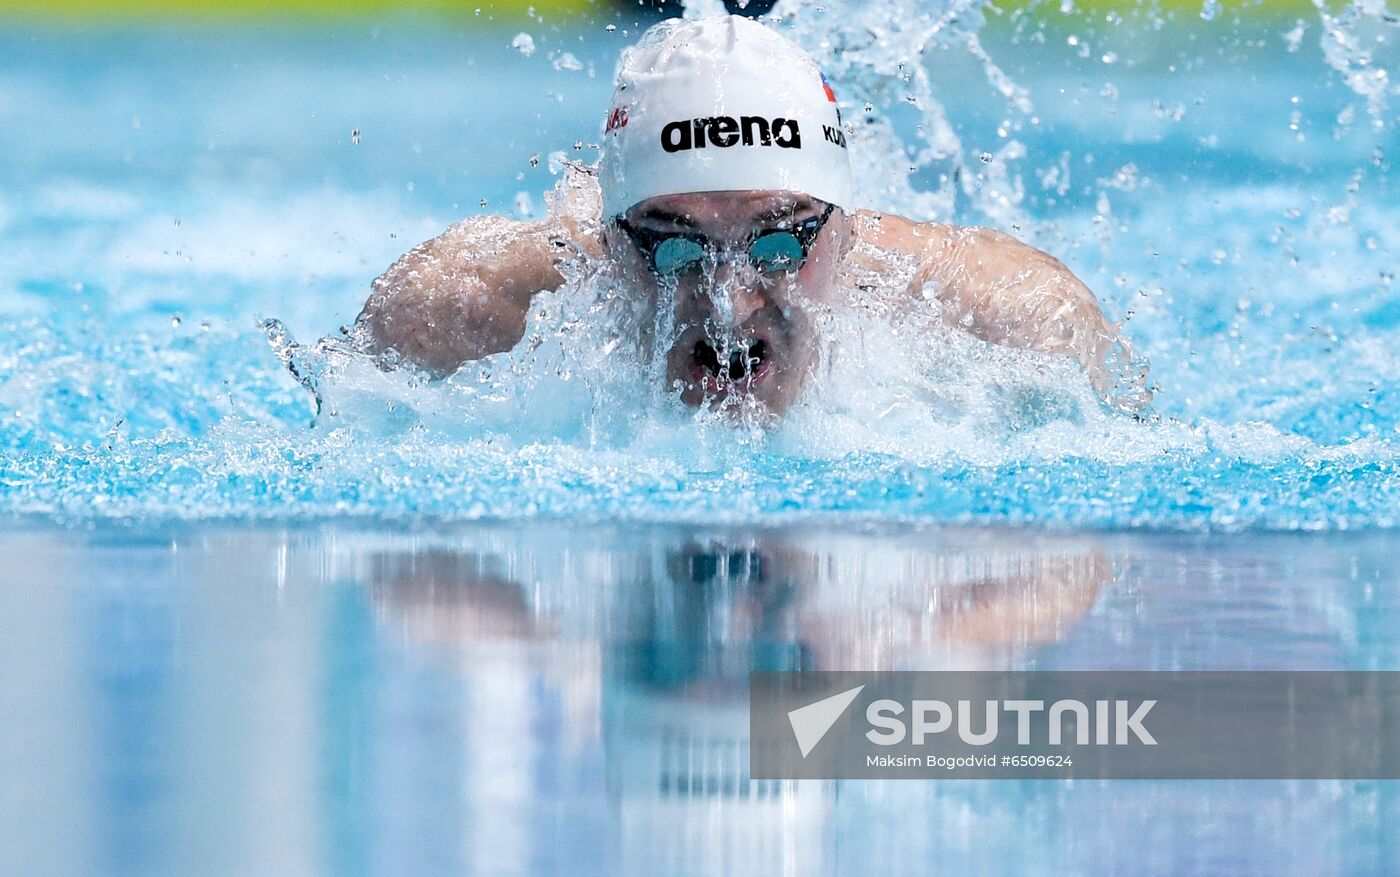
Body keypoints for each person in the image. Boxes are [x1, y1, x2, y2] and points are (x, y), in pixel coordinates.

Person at [358, 14, 1148, 417]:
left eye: (776, 241)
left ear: (845, 228)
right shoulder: (459, 308)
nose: (728, 302)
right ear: (608, 241)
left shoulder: (1017, 323)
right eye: (672, 247)